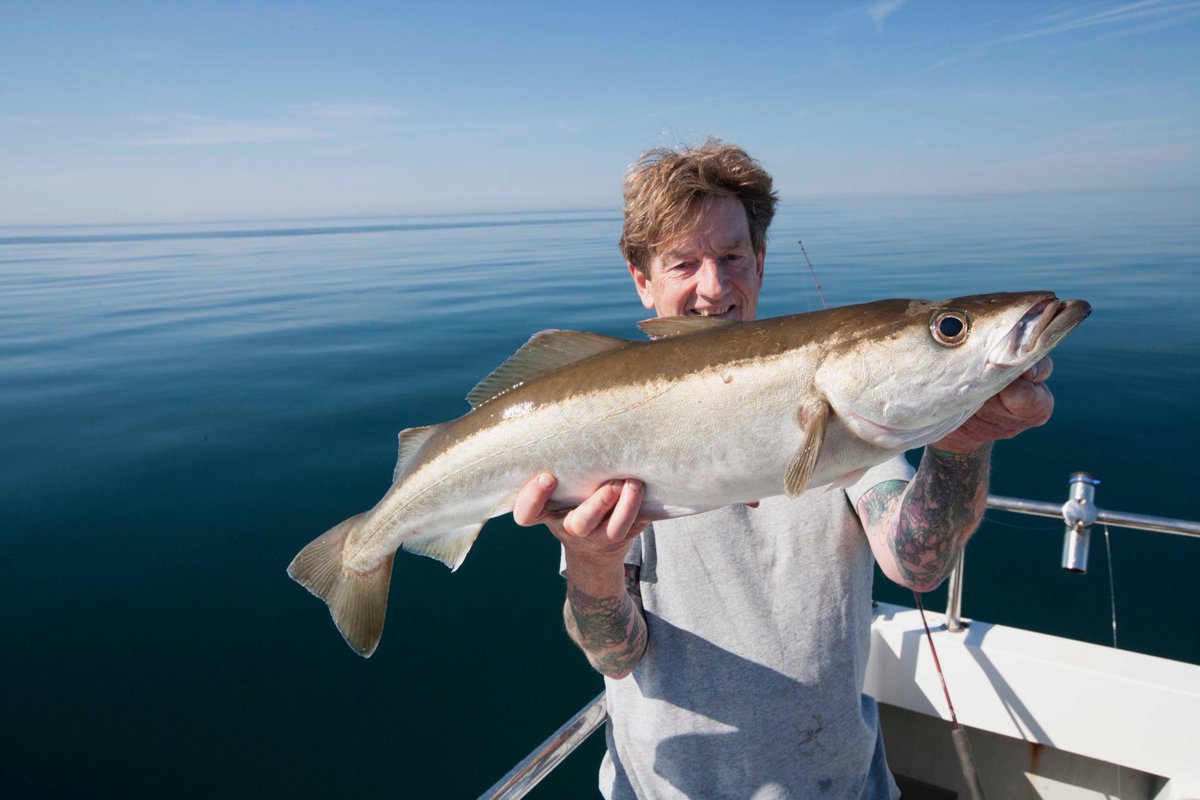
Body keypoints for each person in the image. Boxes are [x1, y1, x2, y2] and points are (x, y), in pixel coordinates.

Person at [512, 140, 1055, 799]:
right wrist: (594, 566)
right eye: (684, 263)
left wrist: (960, 446)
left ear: (761, 261)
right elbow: (614, 658)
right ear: (641, 277)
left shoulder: (857, 425)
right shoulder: (605, 431)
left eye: (733, 257)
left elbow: (917, 565)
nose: (714, 287)